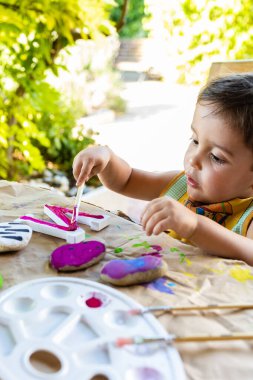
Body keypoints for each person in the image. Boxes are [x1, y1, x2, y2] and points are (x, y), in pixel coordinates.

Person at [73, 73, 253, 265]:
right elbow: (126, 181)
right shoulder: (180, 186)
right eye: (195, 140)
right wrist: (106, 159)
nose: (193, 159)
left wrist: (193, 225)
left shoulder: (248, 217)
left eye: (216, 157)